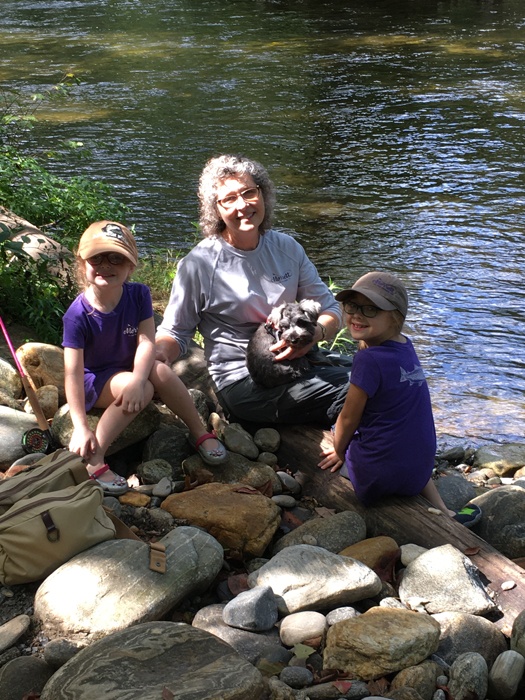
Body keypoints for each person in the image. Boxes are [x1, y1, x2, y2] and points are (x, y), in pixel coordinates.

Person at [155, 154, 352, 427]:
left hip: (302, 361)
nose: (242, 205)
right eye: (229, 199)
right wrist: (154, 357)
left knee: (380, 372)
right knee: (358, 389)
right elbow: (175, 331)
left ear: (263, 194)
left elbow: (330, 309)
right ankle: (354, 459)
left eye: (249, 192)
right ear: (216, 209)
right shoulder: (198, 264)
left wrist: (315, 334)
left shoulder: (287, 248)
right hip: (244, 381)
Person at [62, 220, 226, 495]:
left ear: (131, 266)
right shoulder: (77, 315)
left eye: (117, 258)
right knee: (142, 386)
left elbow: (147, 340)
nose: (106, 265)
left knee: (159, 373)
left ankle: (198, 431)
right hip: (96, 380)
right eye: (97, 258)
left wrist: (139, 376)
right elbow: (72, 373)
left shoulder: (139, 294)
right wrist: (80, 426)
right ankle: (94, 457)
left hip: (130, 367)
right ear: (82, 264)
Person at [318, 271, 482, 528]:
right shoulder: (406, 345)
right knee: (405, 435)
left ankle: (353, 467)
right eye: (352, 306)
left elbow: (350, 416)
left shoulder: (368, 359)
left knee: (335, 428)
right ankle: (444, 510)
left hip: (375, 479)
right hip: (418, 472)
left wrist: (339, 450)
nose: (357, 314)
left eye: (371, 309)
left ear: (395, 317)